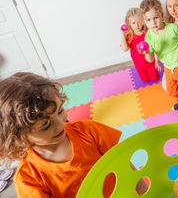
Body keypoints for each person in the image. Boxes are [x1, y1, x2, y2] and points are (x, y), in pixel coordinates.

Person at [0, 72, 147, 197]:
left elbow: (125, 163)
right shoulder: (28, 177)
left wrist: (146, 192)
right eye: (45, 125)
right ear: (18, 136)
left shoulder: (89, 131)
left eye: (59, 111)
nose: (60, 125)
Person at [139, 0, 178, 121]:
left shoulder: (173, 28)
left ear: (162, 15)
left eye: (156, 18)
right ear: (144, 21)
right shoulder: (148, 36)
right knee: (171, 91)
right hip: (168, 67)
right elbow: (150, 58)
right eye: (148, 20)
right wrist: (147, 52)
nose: (153, 22)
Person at [120, 7, 159, 82]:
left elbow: (155, 46)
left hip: (150, 62)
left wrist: (156, 60)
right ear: (129, 24)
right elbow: (125, 49)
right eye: (133, 23)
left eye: (139, 22)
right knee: (144, 80)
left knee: (155, 79)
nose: (137, 25)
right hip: (139, 65)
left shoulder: (147, 33)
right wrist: (122, 33)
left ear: (143, 21)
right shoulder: (129, 36)